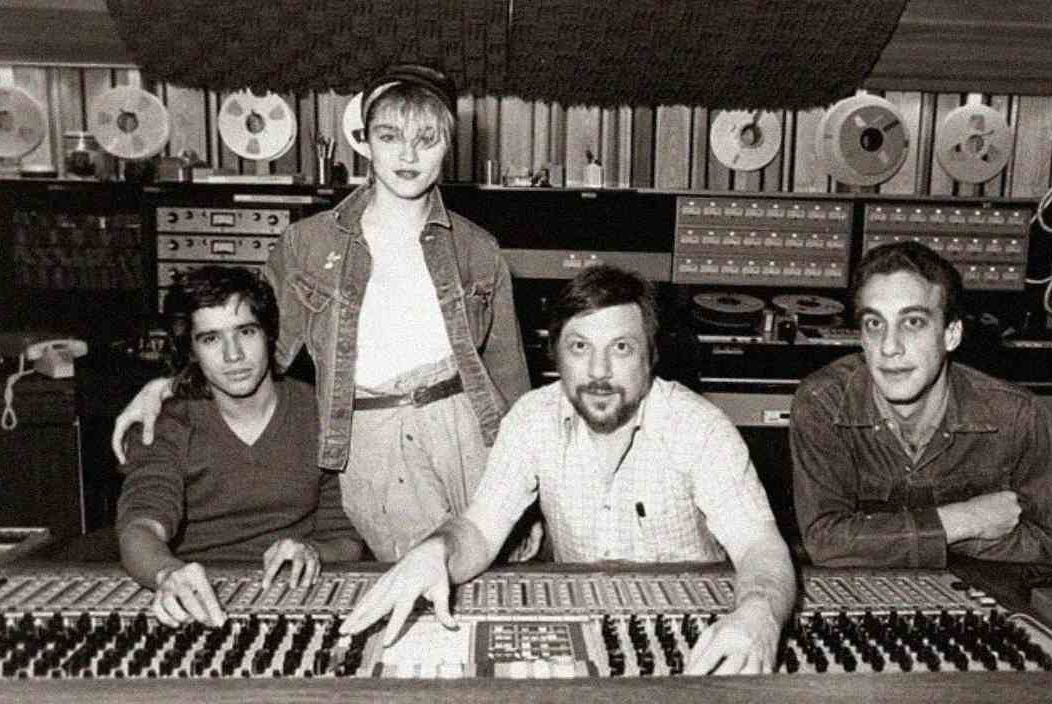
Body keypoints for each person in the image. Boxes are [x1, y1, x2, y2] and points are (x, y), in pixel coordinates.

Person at [112, 64, 535, 561]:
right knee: (408, 593)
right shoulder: (307, 244)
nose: (408, 154)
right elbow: (252, 343)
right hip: (369, 437)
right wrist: (165, 385)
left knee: (487, 586)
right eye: (390, 135)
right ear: (364, 140)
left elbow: (510, 379)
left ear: (448, 146)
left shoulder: (478, 249)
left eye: (427, 138)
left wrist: (525, 495)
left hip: (468, 432)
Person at [338, 265, 796, 676]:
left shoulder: (700, 428)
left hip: (699, 636)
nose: (598, 371)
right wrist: (436, 551)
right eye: (579, 347)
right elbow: (479, 528)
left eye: (621, 347)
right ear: (555, 353)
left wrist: (759, 613)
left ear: (651, 355)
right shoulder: (530, 419)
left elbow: (759, 544)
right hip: (584, 631)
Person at [791, 240, 1052, 569]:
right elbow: (825, 543)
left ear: (951, 334)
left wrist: (902, 539)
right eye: (874, 323)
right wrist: (965, 521)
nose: (889, 347)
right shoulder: (823, 403)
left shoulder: (1016, 417)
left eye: (912, 322)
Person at [117, 266, 365, 628]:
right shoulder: (168, 423)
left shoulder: (321, 413)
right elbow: (140, 527)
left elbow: (345, 539)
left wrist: (312, 550)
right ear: (192, 350)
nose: (233, 356)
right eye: (211, 339)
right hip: (193, 596)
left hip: (299, 594)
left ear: (268, 335)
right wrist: (168, 574)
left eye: (245, 332)